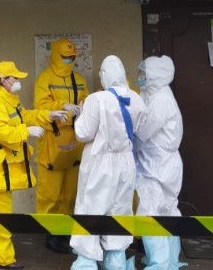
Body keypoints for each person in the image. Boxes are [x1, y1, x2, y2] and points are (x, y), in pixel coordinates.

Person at [0, 61, 69, 269]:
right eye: (15, 78)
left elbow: (23, 116)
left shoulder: (6, 98)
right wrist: (25, 132)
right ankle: (2, 258)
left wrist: (48, 115)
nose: (18, 81)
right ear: (3, 80)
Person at [70, 55, 146, 270]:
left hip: (99, 162)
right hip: (125, 162)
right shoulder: (136, 98)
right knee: (120, 209)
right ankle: (116, 260)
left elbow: (83, 133)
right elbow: (138, 129)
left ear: (104, 75)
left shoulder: (97, 99)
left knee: (91, 208)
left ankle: (86, 262)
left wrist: (80, 116)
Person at [33, 38, 89, 254]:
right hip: (51, 143)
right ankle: (50, 234)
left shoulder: (79, 79)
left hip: (74, 143)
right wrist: (62, 105)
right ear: (56, 55)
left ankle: (64, 231)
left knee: (70, 194)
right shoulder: (45, 78)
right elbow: (40, 105)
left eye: (72, 57)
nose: (69, 60)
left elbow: (88, 102)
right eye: (65, 56)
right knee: (49, 195)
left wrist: (83, 109)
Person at [134, 56, 185, 269]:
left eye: (143, 73)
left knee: (150, 212)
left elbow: (144, 132)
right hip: (160, 163)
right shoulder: (155, 94)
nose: (140, 76)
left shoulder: (161, 98)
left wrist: (129, 148)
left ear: (154, 75)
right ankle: (169, 260)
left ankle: (160, 264)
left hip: (157, 165)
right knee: (167, 211)